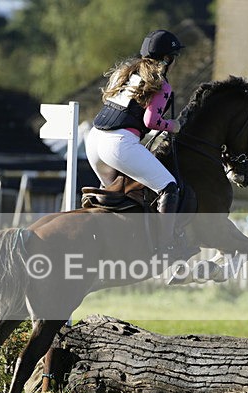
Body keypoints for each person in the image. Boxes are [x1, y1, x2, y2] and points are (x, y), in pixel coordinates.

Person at [86, 29, 185, 252]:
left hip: (94, 140)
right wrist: (173, 126)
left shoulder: (126, 74)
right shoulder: (160, 83)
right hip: (118, 144)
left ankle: (111, 239)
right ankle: (165, 247)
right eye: (174, 58)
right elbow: (151, 121)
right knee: (169, 187)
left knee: (115, 192)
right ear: (167, 59)